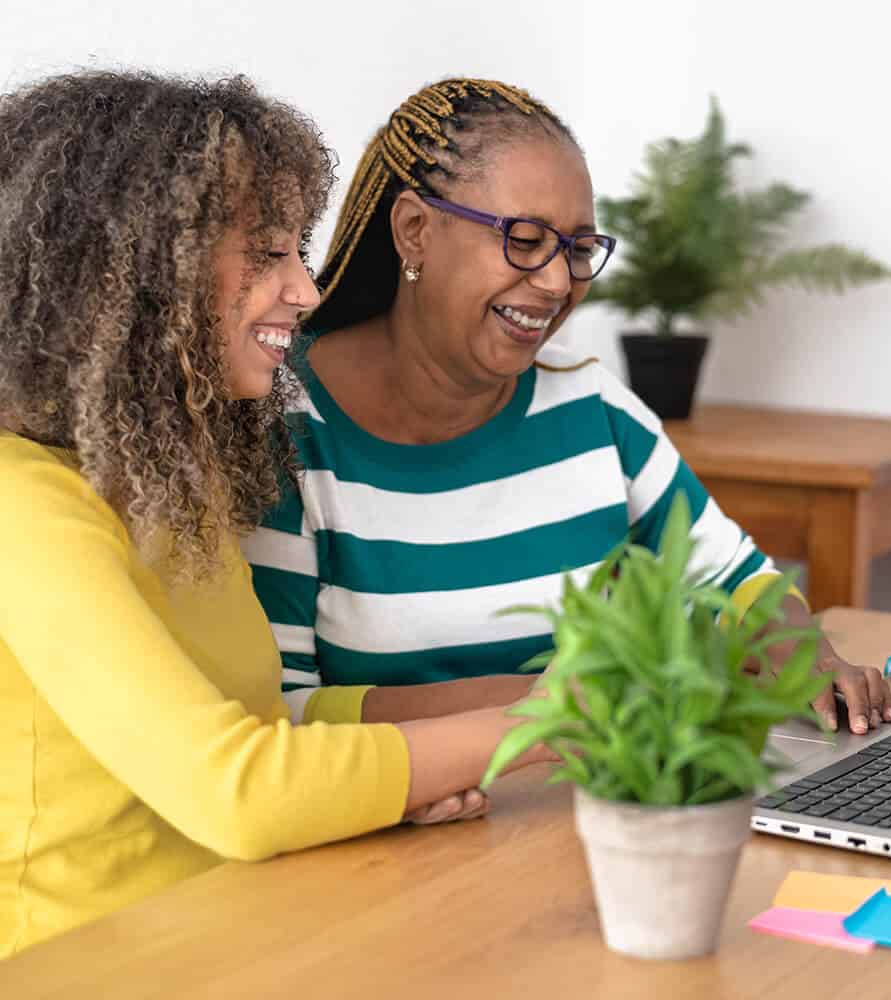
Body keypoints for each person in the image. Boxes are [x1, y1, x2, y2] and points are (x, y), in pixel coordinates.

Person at [0, 71, 548, 958]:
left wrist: (442, 753)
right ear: (131, 271)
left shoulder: (171, 481)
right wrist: (551, 726)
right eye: (265, 253)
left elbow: (259, 729)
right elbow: (238, 788)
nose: (307, 290)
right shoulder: (19, 505)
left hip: (229, 932)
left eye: (297, 249)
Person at [244, 78, 891, 740]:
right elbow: (286, 709)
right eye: (524, 240)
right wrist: (545, 703)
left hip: (582, 812)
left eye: (578, 249)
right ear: (415, 230)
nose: (558, 282)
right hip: (396, 834)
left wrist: (804, 649)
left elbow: (737, 581)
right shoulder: (286, 434)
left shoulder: (590, 406)